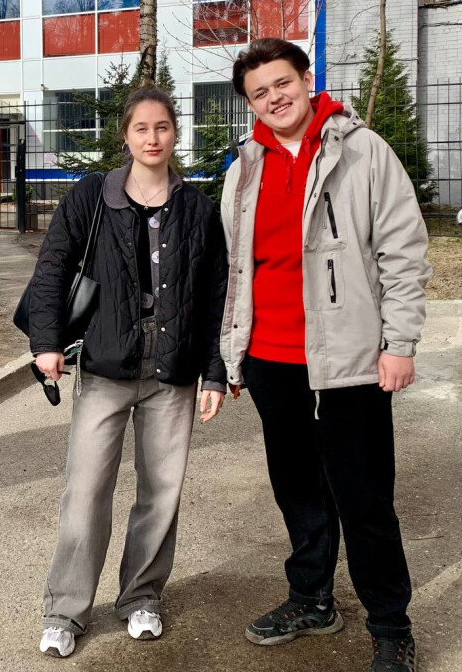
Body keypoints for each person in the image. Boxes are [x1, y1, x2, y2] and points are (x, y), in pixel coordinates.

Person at [220, 38, 431, 672]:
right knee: (297, 491)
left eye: (282, 83)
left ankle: (390, 625)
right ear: (250, 103)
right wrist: (235, 354)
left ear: (306, 79)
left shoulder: (362, 151)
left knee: (364, 499)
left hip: (350, 362)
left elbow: (403, 252)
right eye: (259, 93)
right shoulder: (244, 169)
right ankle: (312, 599)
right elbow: (235, 269)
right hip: (272, 361)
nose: (274, 98)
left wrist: (399, 344)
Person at [29, 86, 228, 658]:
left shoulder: (197, 207)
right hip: (106, 367)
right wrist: (47, 342)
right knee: (86, 490)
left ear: (175, 133)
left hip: (173, 371)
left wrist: (214, 372)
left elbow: (215, 293)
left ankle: (141, 595)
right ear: (126, 135)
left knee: (161, 492)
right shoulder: (93, 195)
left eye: (162, 127)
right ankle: (66, 610)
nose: (152, 138)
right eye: (141, 128)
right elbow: (53, 266)